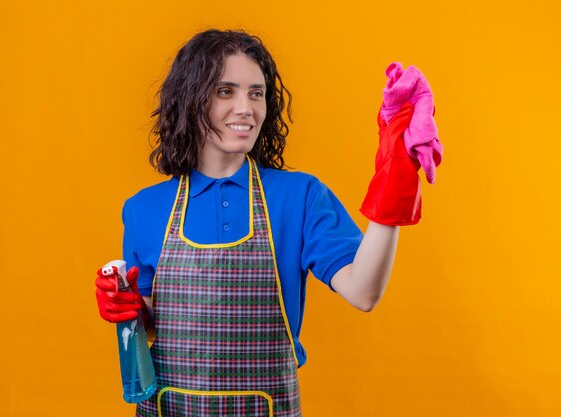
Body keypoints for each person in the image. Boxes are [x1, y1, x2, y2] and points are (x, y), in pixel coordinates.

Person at [95, 29, 427, 417]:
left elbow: (364, 291)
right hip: (169, 407)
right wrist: (129, 309)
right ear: (189, 100)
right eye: (225, 91)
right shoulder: (142, 208)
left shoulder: (299, 196)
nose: (246, 108)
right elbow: (156, 327)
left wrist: (395, 179)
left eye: (256, 93)